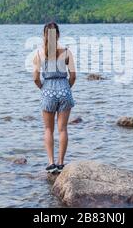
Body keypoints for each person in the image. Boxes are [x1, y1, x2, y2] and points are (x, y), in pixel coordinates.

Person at [33, 22, 76, 173]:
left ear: (44, 35)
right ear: (58, 35)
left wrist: (44, 89)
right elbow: (73, 76)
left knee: (48, 129)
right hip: (64, 89)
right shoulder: (66, 51)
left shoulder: (39, 53)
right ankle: (61, 162)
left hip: (48, 90)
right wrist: (65, 88)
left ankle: (51, 163)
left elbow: (36, 79)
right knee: (63, 129)